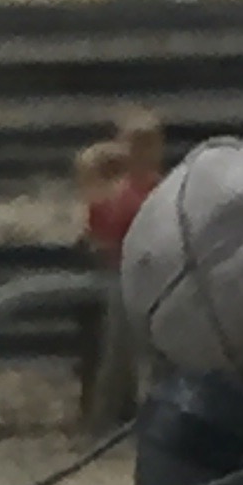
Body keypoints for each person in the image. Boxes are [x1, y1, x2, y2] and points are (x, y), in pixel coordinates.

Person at [74, 109, 164, 429]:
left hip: (154, 278)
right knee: (118, 353)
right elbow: (98, 235)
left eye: (148, 144)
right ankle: (105, 417)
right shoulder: (116, 193)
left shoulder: (160, 191)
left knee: (147, 355)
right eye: (135, 144)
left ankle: (137, 415)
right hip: (122, 278)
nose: (141, 152)